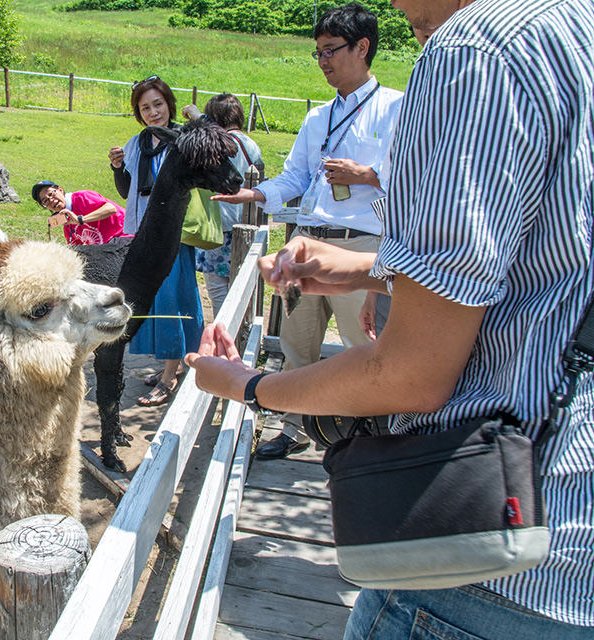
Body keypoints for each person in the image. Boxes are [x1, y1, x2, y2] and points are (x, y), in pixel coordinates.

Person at [187, 0, 594, 636]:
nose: (400, 6)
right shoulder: (576, 31)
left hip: (489, 537)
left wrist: (245, 387)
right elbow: (552, 260)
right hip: (571, 523)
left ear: (362, 51)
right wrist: (369, 267)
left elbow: (407, 373)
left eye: (331, 49)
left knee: (361, 360)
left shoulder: (474, 52)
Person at [213, 2, 403, 459]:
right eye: (317, 52)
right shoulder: (318, 117)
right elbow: (295, 176)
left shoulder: (398, 108)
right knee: (298, 341)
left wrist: (369, 175)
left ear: (363, 47)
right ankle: (297, 428)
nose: (323, 61)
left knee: (367, 347)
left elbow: (419, 181)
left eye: (330, 50)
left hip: (363, 247)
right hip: (308, 239)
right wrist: (254, 196)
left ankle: (371, 434)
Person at [108, 75, 204, 406]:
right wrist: (118, 168)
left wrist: (198, 119)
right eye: (145, 107)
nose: (153, 112)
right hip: (147, 234)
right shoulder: (138, 144)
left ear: (169, 104)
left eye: (158, 104)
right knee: (154, 301)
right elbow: (128, 192)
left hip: (175, 232)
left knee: (174, 299)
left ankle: (168, 377)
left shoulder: (184, 138)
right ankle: (170, 365)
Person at [181, 94, 263, 316]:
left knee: (218, 290)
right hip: (246, 223)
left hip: (220, 225)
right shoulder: (252, 145)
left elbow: (210, 134)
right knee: (242, 286)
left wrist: (197, 116)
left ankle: (222, 334)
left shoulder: (220, 142)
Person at [31, 180, 131, 246]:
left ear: (60, 190)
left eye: (51, 194)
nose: (51, 200)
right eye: (45, 201)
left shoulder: (82, 197)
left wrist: (81, 219)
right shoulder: (67, 225)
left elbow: (111, 208)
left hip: (126, 235)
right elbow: (75, 250)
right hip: (108, 249)